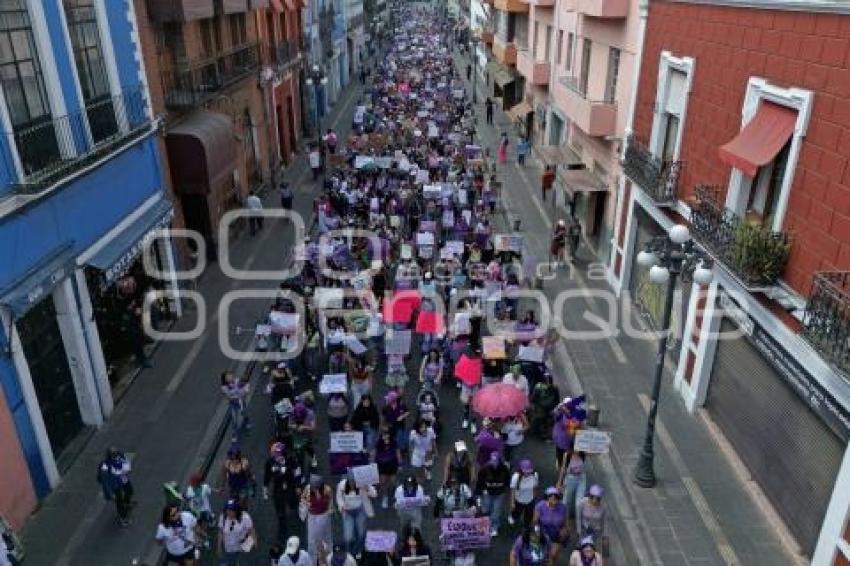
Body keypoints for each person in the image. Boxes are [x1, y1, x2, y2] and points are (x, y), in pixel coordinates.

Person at [263, 442, 301, 544]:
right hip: (278, 487)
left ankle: (296, 510)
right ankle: (282, 528)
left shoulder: (290, 459)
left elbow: (297, 471)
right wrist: (265, 488)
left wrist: (298, 485)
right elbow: (267, 476)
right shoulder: (270, 463)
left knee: (293, 502)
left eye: (277, 453)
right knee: (280, 509)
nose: (275, 455)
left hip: (290, 485)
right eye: (274, 453)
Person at [336, 474, 376, 559]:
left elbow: (374, 494)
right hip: (348, 512)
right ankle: (350, 553)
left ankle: (358, 550)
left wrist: (367, 488)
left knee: (361, 533)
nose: (353, 484)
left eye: (354, 482)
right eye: (351, 482)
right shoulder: (341, 485)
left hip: (360, 511)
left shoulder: (363, 484)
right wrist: (341, 506)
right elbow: (339, 498)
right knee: (348, 537)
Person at [475, 451, 511, 537]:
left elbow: (507, 481)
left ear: (499, 461)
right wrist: (479, 494)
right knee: (485, 510)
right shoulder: (484, 469)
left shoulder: (505, 469)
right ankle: (485, 525)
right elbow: (479, 482)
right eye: (492, 462)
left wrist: (504, 489)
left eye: (496, 462)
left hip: (499, 493)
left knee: (496, 511)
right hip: (487, 493)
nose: (494, 465)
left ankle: (494, 527)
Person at [301, 475, 334, 564]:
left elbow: (331, 500)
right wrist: (306, 503)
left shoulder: (327, 490)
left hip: (323, 515)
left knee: (325, 536)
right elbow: (302, 498)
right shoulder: (308, 489)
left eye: (317, 487)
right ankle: (312, 561)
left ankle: (328, 557)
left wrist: (330, 508)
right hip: (312, 516)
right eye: (314, 487)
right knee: (311, 539)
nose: (315, 489)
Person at [97, 447, 134, 526]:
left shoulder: (120, 457)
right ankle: (122, 518)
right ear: (110, 455)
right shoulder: (105, 466)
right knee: (119, 501)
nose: (115, 454)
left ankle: (127, 503)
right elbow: (105, 481)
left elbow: (126, 463)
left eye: (116, 453)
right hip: (115, 485)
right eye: (113, 454)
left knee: (130, 491)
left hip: (123, 479)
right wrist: (110, 493)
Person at [533, 487, 569, 563]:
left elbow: (565, 522)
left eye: (556, 497)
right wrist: (537, 532)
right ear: (547, 497)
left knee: (553, 555)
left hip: (556, 534)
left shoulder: (563, 507)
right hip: (543, 533)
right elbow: (535, 522)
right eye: (551, 496)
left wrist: (565, 530)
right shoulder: (540, 506)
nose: (553, 499)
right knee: (542, 556)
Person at [218, 499, 256, 565]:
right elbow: (220, 532)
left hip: (241, 547)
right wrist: (219, 547)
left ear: (237, 511)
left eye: (231, 510)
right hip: (228, 547)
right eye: (227, 509)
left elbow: (251, 530)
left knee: (240, 560)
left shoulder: (245, 517)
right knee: (231, 560)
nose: (228, 512)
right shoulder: (223, 517)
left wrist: (254, 542)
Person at [373, 427, 403, 509]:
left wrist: (400, 464)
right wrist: (372, 464)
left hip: (393, 465)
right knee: (383, 482)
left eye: (386, 434)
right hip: (382, 466)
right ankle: (385, 497)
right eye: (383, 435)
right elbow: (374, 454)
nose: (385, 436)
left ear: (389, 435)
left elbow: (398, 453)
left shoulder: (394, 443)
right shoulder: (379, 443)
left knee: (393, 482)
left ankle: (398, 496)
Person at [509, 459, 539, 530]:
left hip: (530, 500)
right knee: (517, 513)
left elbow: (535, 487)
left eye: (529, 472)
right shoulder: (516, 477)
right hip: (519, 500)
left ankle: (526, 528)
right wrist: (512, 502)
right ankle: (513, 516)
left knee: (528, 516)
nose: (527, 474)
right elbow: (513, 490)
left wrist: (534, 499)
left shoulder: (535, 475)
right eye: (525, 472)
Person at [557, 450, 587, 521]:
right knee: (566, 501)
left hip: (581, 478)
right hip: (570, 478)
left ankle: (579, 525)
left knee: (579, 503)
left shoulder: (583, 453)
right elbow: (563, 469)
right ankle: (564, 519)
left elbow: (594, 452)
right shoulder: (567, 454)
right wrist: (559, 482)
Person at [221, 370, 250, 436]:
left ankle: (247, 421)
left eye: (230, 376)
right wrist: (237, 396)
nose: (230, 378)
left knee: (244, 413)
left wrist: (243, 392)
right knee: (234, 418)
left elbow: (245, 388)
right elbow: (228, 396)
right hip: (233, 404)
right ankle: (234, 430)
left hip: (241, 401)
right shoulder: (224, 387)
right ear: (225, 380)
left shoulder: (237, 380)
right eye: (227, 377)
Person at [408, 418, 438, 483]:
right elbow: (411, 444)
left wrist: (435, 451)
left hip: (428, 453)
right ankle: (419, 482)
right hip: (417, 453)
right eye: (421, 427)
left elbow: (433, 441)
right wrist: (411, 455)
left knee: (428, 466)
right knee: (418, 470)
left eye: (424, 426)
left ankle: (427, 471)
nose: (423, 429)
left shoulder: (430, 430)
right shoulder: (413, 433)